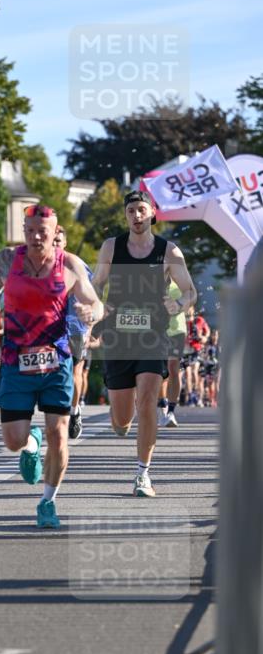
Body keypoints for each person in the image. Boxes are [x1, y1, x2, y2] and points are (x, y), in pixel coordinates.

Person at [0, 204, 103, 529]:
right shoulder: (7, 260)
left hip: (56, 361)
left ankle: (48, 501)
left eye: (42, 232)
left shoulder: (71, 265)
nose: (36, 237)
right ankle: (30, 441)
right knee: (13, 441)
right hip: (15, 361)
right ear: (24, 230)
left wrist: (93, 314)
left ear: (55, 232)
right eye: (30, 230)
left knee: (59, 434)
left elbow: (96, 302)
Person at [92, 189, 196, 498]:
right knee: (122, 419)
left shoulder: (169, 252)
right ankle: (120, 422)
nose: (136, 216)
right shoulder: (111, 247)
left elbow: (189, 291)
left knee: (148, 399)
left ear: (151, 213)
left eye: (141, 210)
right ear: (125, 217)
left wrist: (179, 306)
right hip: (118, 339)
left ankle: (142, 474)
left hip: (153, 337)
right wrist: (100, 305)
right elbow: (96, 284)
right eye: (131, 212)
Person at [52, 224, 93, 441]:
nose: (55, 245)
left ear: (65, 243)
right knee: (56, 371)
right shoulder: (42, 265)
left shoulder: (78, 266)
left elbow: (93, 300)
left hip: (76, 327)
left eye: (59, 241)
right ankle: (58, 412)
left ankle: (75, 410)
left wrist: (89, 328)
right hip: (52, 328)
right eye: (53, 241)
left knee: (76, 372)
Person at [157, 278, 186, 428]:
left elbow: (190, 299)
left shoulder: (179, 283)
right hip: (157, 331)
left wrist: (178, 305)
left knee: (173, 368)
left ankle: (171, 412)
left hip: (177, 331)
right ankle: (162, 405)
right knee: (161, 372)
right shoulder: (152, 282)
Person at [184, 306, 210, 406]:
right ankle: (191, 396)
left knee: (195, 373)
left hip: (196, 349)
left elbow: (207, 332)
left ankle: (197, 396)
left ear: (193, 310)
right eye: (186, 309)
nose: (188, 310)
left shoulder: (199, 320)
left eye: (189, 308)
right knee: (187, 374)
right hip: (185, 350)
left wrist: (204, 337)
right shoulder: (182, 321)